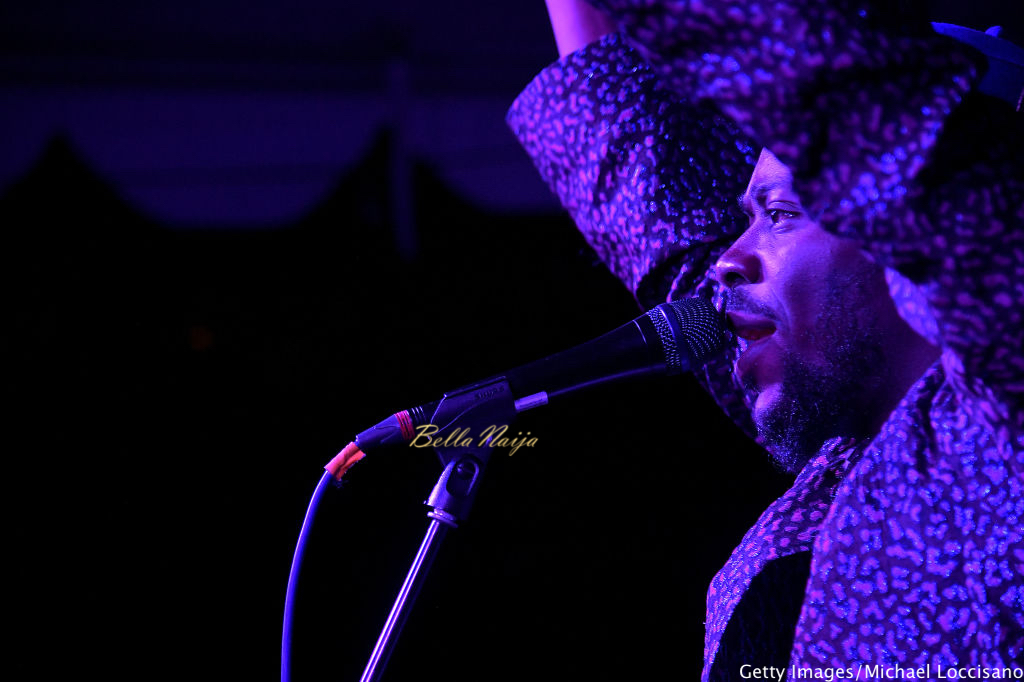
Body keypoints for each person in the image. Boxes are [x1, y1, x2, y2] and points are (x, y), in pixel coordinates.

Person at [508, 0, 1023, 678]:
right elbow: (650, 198)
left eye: (779, 214)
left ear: (906, 228)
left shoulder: (1000, 421)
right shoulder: (846, 441)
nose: (729, 259)